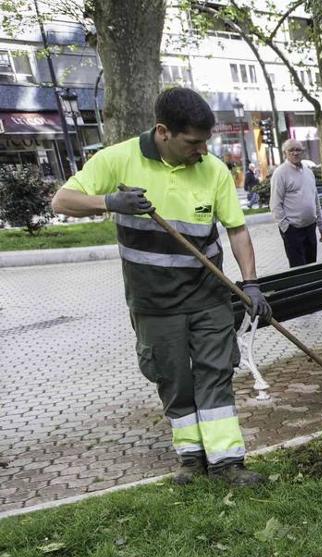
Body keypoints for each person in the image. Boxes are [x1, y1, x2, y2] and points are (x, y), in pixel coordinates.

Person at [50, 86, 271, 487]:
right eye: (193, 142)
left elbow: (237, 231)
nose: (202, 150)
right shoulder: (118, 159)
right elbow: (61, 201)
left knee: (215, 374)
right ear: (163, 131)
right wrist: (109, 203)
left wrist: (251, 284)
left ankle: (227, 462)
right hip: (153, 303)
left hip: (208, 297)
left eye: (206, 141)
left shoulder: (214, 170)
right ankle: (191, 458)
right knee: (174, 379)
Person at [270, 139, 322, 267]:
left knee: (312, 265)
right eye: (291, 150)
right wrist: (286, 228)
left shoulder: (308, 172)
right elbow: (275, 204)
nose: (295, 153)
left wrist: (321, 225)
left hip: (310, 227)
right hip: (293, 230)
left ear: (303, 152)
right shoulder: (280, 174)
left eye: (298, 150)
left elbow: (315, 199)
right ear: (285, 153)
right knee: (298, 269)